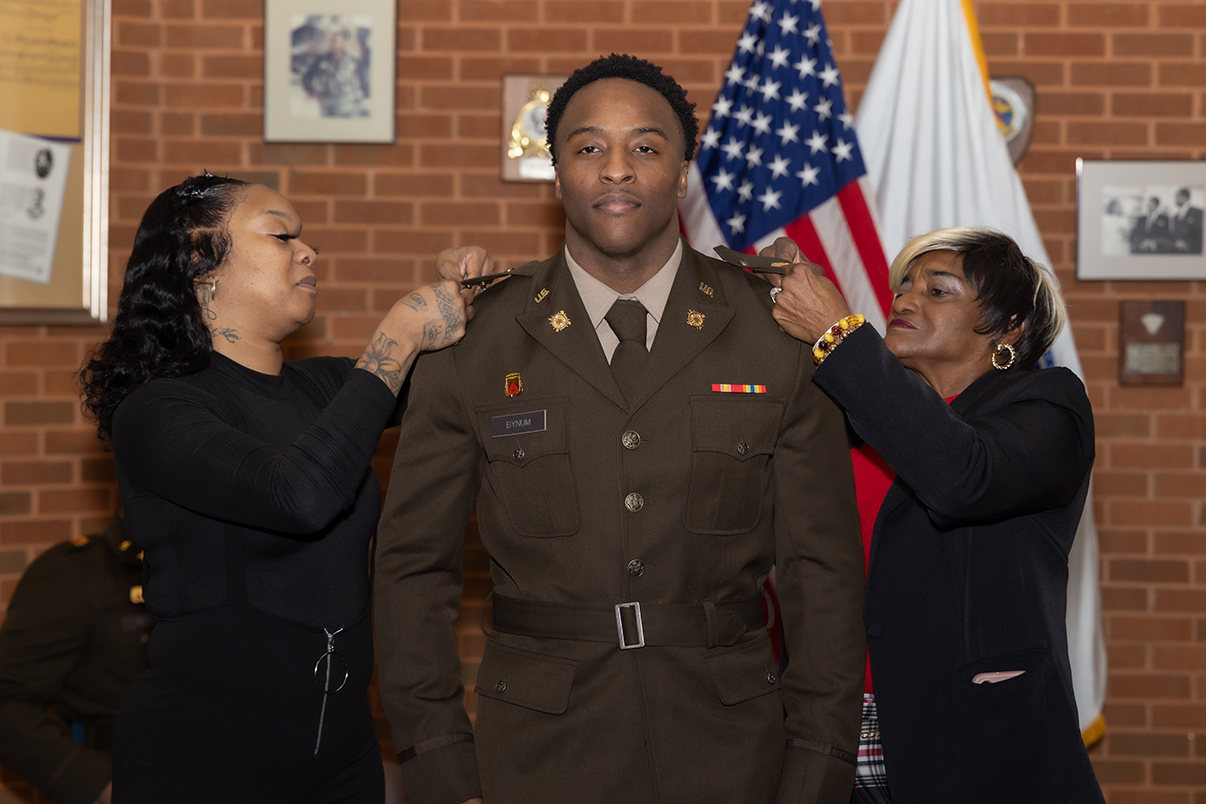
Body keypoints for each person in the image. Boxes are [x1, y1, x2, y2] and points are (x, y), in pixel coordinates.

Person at [373, 54, 865, 804]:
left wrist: (815, 769)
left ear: (681, 172)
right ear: (559, 173)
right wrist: (440, 763)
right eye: (587, 148)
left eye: (644, 146)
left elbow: (821, 575)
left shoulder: (775, 335)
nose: (615, 171)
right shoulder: (476, 339)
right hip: (535, 757)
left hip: (732, 754)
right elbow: (412, 569)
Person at [78, 172, 473, 803]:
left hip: (342, 756)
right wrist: (397, 334)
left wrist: (469, 295)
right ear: (202, 261)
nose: (307, 250)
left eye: (304, 237)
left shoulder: (324, 388)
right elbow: (300, 496)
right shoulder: (157, 413)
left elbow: (473, 383)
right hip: (203, 765)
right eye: (280, 235)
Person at [759, 228, 1104, 803]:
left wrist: (839, 334)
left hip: (974, 739)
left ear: (1007, 327)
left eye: (938, 290)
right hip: (828, 731)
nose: (905, 299)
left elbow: (960, 476)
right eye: (904, 286)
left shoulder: (1049, 407)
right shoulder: (857, 413)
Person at [0, 516, 149, 804]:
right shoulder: (75, 571)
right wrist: (97, 784)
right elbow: (5, 697)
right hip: (133, 775)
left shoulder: (222, 567)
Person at [1169, 186, 1203, 254]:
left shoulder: (1198, 212)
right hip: (1177, 250)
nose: (1175, 199)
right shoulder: (1176, 216)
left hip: (1192, 250)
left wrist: (1187, 243)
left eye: (1177, 196)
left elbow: (1201, 233)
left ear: (1184, 197)